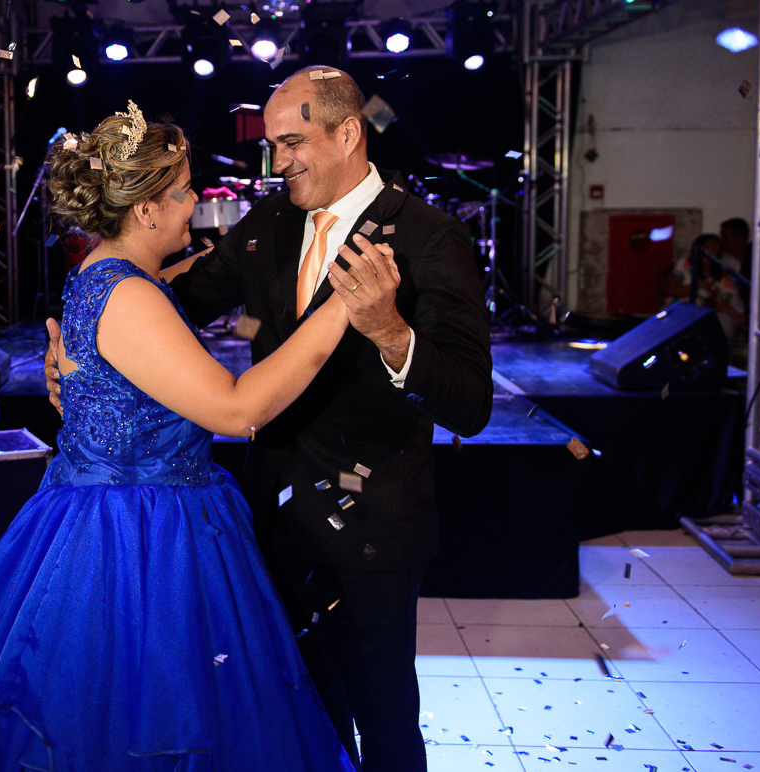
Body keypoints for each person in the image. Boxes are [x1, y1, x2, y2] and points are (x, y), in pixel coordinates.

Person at [0, 103, 358, 771]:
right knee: (134, 707)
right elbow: (238, 411)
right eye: (185, 192)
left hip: (112, 512)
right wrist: (341, 311)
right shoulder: (128, 295)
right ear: (148, 208)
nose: (195, 206)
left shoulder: (102, 275)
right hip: (140, 535)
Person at [45, 66, 494, 772]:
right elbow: (166, 299)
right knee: (291, 716)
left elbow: (471, 404)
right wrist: (80, 352)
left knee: (384, 722)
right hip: (264, 524)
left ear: (348, 133)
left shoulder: (430, 238)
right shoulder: (269, 224)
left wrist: (391, 335)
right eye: (272, 145)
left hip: (373, 529)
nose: (276, 162)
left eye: (291, 143)